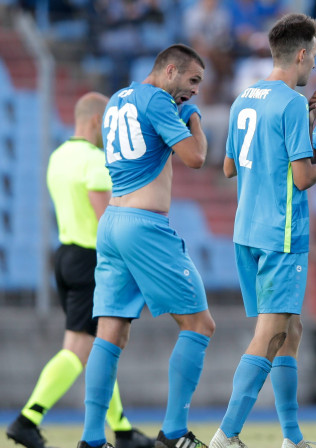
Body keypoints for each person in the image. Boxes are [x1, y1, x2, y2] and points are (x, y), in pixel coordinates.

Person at [210, 14, 316, 448]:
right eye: (313, 55)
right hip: (281, 233)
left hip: (247, 231)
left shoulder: (244, 98)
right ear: (301, 53)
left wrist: (306, 121)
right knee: (271, 333)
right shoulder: (290, 103)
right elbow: (301, 179)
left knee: (289, 332)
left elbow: (227, 167)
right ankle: (227, 434)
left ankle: (292, 439)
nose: (314, 64)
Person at [78, 44, 215, 448]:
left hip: (112, 223)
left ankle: (90, 439)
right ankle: (173, 433)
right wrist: (193, 117)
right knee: (200, 324)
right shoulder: (158, 100)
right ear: (169, 69)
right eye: (191, 81)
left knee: (110, 334)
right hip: (145, 225)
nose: (193, 91)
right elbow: (196, 157)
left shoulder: (119, 97)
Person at [5, 93, 153, 448]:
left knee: (97, 347)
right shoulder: (94, 161)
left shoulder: (58, 157)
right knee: (80, 348)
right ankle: (28, 418)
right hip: (92, 261)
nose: (109, 132)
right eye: (106, 124)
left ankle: (121, 430)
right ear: (93, 122)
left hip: (66, 255)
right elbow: (106, 221)